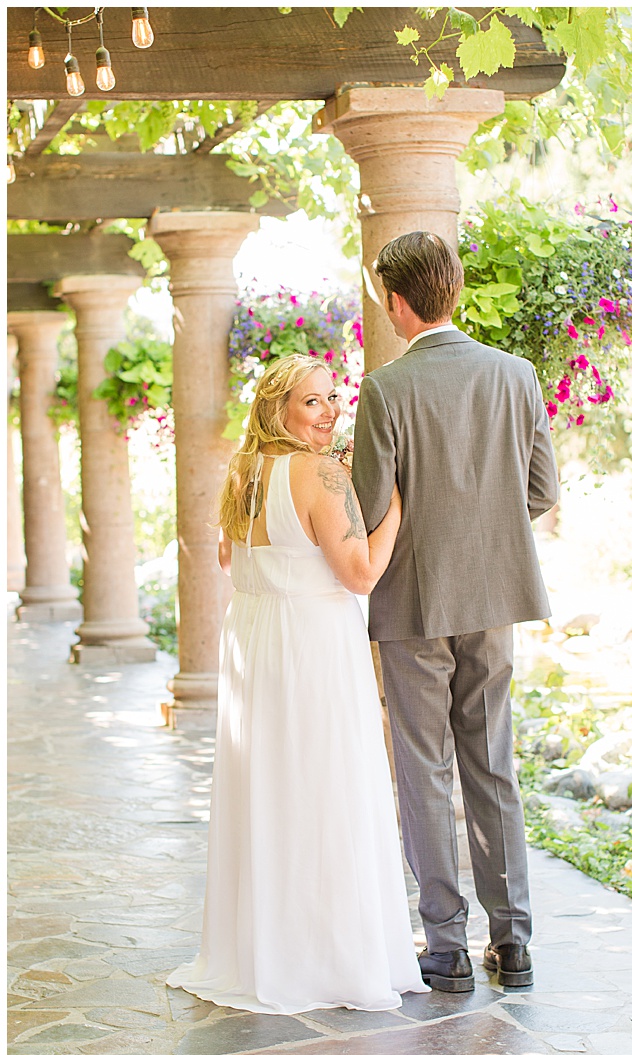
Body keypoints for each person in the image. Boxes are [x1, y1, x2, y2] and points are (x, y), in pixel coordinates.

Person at [168, 353, 426, 1014]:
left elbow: (232, 560)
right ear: (278, 409)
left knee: (271, 793)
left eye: (331, 398)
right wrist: (395, 504)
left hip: (256, 641)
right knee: (326, 789)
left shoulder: (244, 471)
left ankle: (264, 950)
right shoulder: (322, 472)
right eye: (312, 401)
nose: (330, 410)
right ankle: (330, 956)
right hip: (312, 647)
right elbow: (361, 574)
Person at [351, 231, 559, 991]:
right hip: (494, 596)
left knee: (423, 770)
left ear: (396, 301)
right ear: (456, 292)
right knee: (492, 764)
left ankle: (445, 946)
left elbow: (372, 507)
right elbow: (540, 491)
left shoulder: (385, 390)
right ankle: (514, 942)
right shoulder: (516, 376)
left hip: (410, 601)